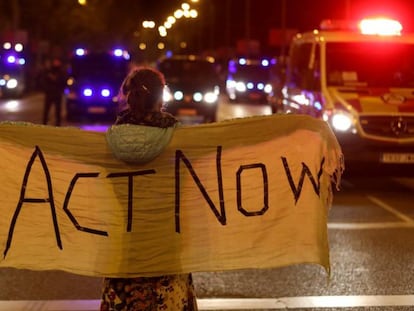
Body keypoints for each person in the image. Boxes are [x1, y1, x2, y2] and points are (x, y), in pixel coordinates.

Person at [101, 67, 198, 311]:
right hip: (166, 242)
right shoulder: (177, 138)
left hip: (128, 243)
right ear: (160, 97)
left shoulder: (113, 140)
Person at [41, 58, 67, 126]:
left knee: (58, 110)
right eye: (55, 62)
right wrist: (46, 89)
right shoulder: (49, 71)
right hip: (49, 93)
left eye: (57, 62)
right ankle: (44, 123)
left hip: (57, 94)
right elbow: (44, 81)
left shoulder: (61, 72)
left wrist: (61, 89)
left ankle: (58, 124)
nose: (56, 63)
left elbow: (64, 82)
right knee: (46, 109)